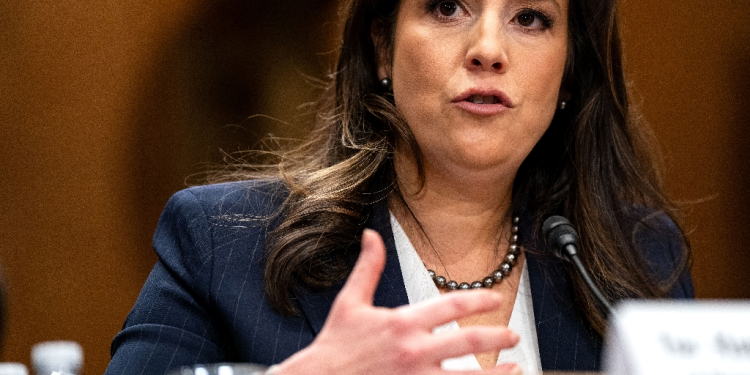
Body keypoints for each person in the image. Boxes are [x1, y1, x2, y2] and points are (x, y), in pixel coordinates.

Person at [105, 0, 694, 373]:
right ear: (382, 45)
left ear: (570, 71)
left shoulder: (637, 259)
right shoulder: (223, 244)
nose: (488, 49)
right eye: (447, 8)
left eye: (530, 18)